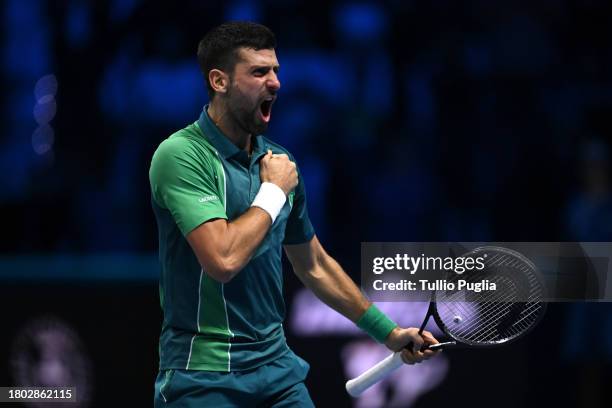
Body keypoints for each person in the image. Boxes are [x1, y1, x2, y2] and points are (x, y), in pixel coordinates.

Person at [149, 21, 439, 407]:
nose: (275, 83)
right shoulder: (182, 156)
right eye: (258, 72)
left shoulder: (280, 164)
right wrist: (272, 192)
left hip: (277, 374)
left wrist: (387, 333)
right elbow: (222, 259)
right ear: (219, 81)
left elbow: (314, 264)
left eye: (275, 71)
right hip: (202, 375)